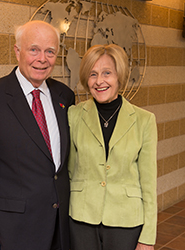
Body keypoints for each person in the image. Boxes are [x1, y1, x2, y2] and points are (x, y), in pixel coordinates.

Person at [0, 20, 75, 250]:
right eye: (34, 49)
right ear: (17, 51)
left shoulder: (65, 96)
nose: (42, 59)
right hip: (13, 231)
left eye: (50, 52)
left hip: (60, 228)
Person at [68, 44, 157, 250]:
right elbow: (70, 171)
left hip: (126, 221)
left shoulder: (144, 121)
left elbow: (149, 185)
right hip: (82, 220)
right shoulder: (74, 115)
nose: (99, 81)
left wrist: (148, 237)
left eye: (107, 73)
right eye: (93, 74)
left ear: (120, 77)